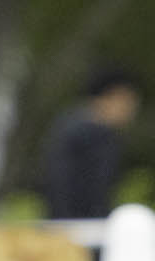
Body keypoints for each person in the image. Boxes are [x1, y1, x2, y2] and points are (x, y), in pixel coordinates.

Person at [40, 68, 140, 222]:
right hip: (77, 230)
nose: (131, 108)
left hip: (86, 229)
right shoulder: (82, 135)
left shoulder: (101, 136)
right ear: (109, 97)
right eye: (126, 100)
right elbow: (62, 189)